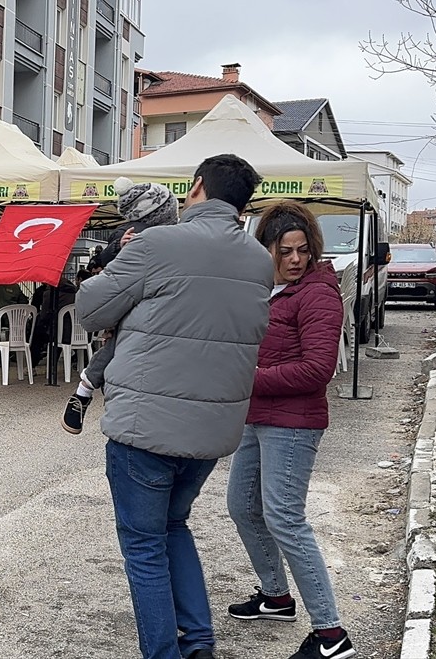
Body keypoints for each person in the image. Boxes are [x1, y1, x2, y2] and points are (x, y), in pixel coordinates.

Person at [75, 154, 275, 659]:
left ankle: (164, 653)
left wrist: (120, 261)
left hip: (146, 427)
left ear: (197, 186)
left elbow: (89, 309)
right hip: (212, 432)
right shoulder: (257, 260)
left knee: (144, 548)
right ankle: (200, 643)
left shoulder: (158, 243)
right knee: (173, 526)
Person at [226, 203, 354, 659]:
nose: (296, 259)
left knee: (285, 518)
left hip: (293, 424)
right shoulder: (272, 288)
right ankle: (276, 597)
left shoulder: (317, 294)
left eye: (302, 250)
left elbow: (318, 369)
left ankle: (331, 634)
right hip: (258, 417)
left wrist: (248, 376)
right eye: (285, 251)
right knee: (242, 506)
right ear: (267, 251)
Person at [61, 179, 180, 434]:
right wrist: (121, 248)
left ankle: (84, 391)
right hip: (139, 305)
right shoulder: (135, 234)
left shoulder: (165, 237)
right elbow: (106, 267)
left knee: (120, 344)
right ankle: (85, 390)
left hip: (143, 306)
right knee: (121, 341)